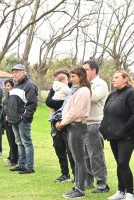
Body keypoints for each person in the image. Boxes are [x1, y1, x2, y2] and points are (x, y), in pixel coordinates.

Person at [56, 67, 91, 198]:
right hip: (72, 126)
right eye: (71, 77)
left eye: (74, 77)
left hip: (77, 126)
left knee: (79, 160)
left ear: (81, 77)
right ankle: (77, 186)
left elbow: (75, 112)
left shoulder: (84, 91)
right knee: (76, 160)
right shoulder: (77, 90)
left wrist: (62, 122)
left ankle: (80, 190)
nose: (71, 79)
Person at [100, 70, 134, 200]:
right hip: (113, 136)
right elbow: (107, 112)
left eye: (116, 77)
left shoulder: (130, 93)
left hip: (127, 136)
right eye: (113, 77)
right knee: (119, 164)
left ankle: (130, 193)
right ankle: (121, 191)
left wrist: (124, 129)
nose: (113, 79)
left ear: (125, 79)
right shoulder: (112, 94)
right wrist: (103, 127)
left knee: (123, 163)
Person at [82, 59, 110, 193]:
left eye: (86, 69)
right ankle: (88, 181)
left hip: (95, 123)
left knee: (95, 155)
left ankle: (102, 184)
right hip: (83, 123)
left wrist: (82, 89)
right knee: (85, 155)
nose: (83, 72)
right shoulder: (84, 84)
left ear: (94, 70)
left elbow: (92, 98)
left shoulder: (100, 84)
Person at [7, 64, 38, 174]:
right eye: (13, 72)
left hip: (22, 120)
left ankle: (29, 167)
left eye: (17, 71)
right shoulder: (16, 85)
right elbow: (12, 103)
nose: (14, 74)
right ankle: (21, 164)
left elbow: (32, 104)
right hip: (14, 119)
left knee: (26, 143)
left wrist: (24, 117)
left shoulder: (29, 85)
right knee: (19, 143)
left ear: (23, 72)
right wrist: (9, 115)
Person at [46, 69, 75, 183]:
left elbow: (70, 103)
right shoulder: (55, 87)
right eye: (55, 77)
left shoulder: (71, 88)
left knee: (71, 150)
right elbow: (48, 102)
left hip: (68, 123)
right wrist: (61, 104)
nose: (56, 80)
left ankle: (76, 175)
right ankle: (65, 174)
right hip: (55, 123)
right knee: (59, 149)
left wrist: (58, 104)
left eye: (59, 77)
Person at [1, 79, 18, 166]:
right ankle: (11, 156)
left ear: (13, 86)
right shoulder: (6, 94)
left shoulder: (14, 95)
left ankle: (14, 160)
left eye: (8, 85)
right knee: (10, 139)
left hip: (11, 119)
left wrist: (9, 116)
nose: (6, 87)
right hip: (6, 119)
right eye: (5, 85)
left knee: (13, 140)